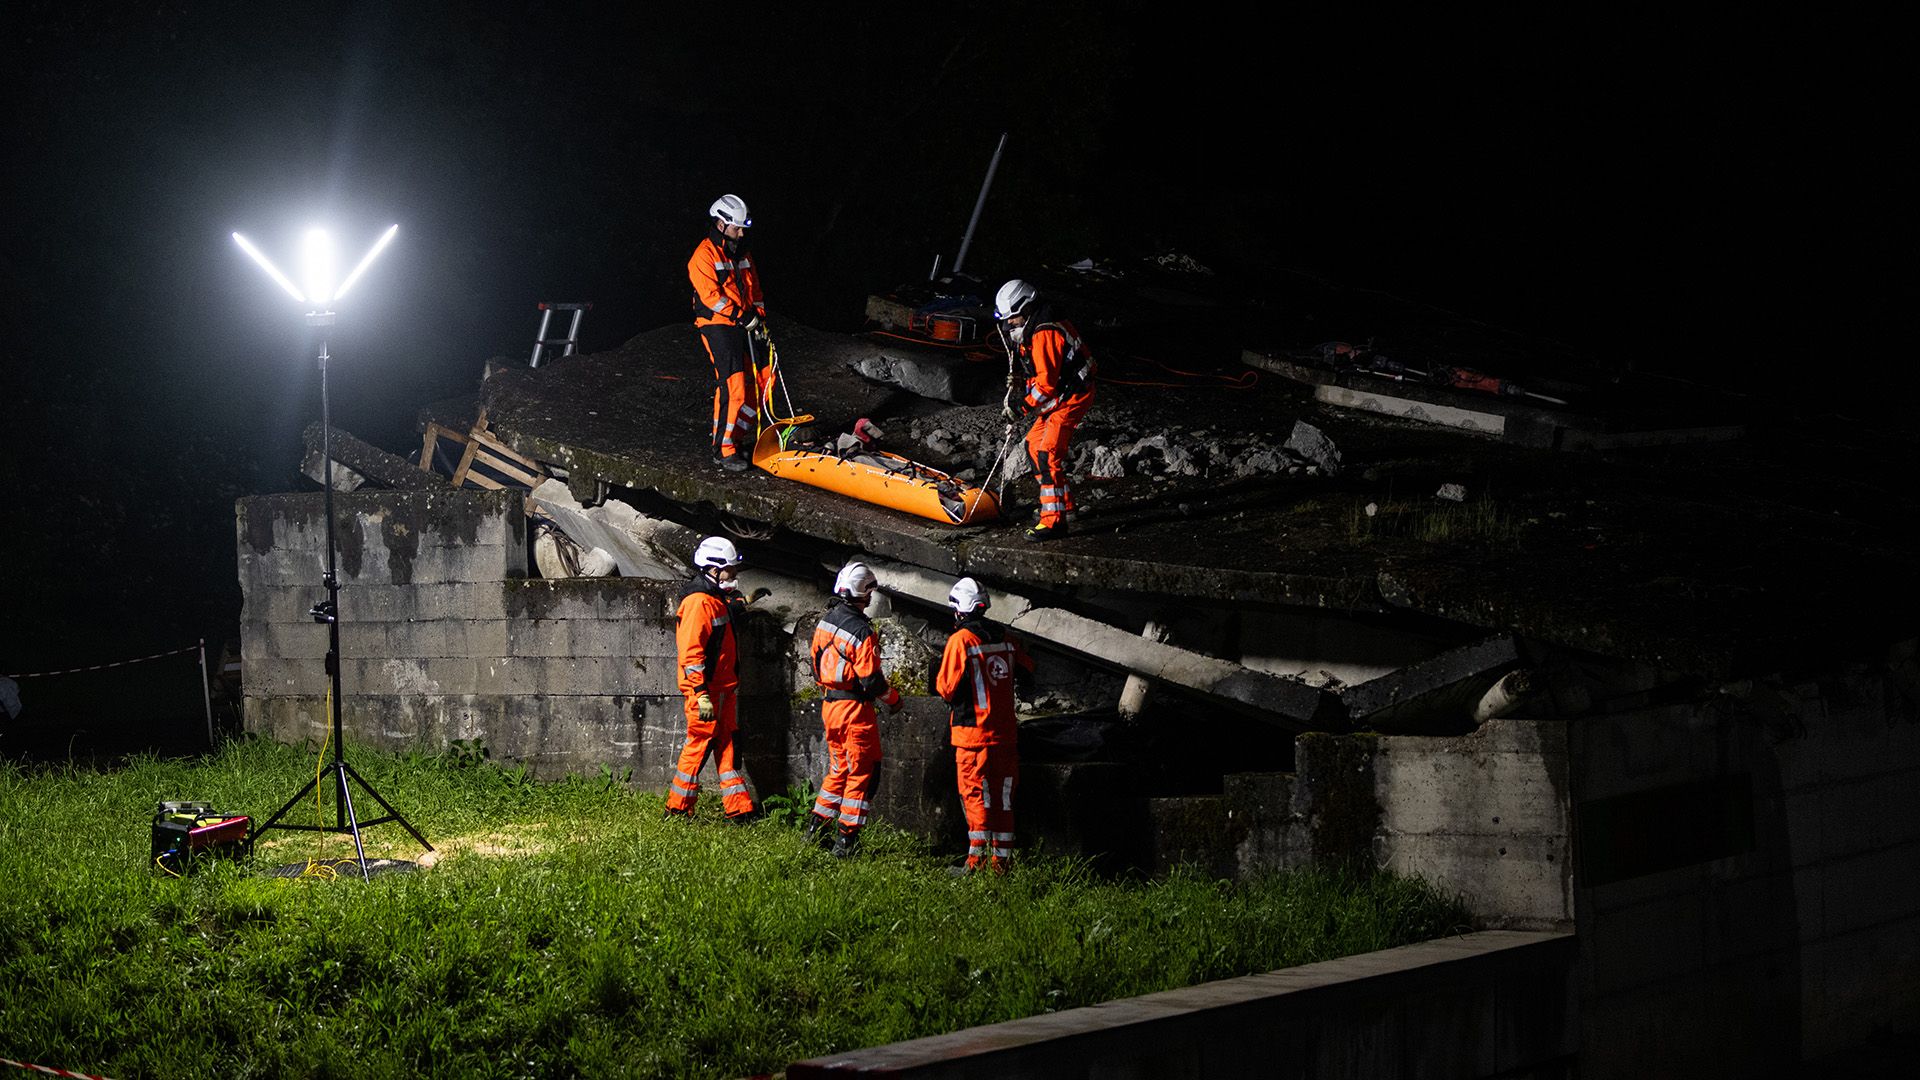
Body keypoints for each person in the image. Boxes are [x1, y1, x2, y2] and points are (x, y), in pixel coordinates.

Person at [934, 576, 1033, 874]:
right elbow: (1028, 669)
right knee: (1003, 799)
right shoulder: (1005, 637)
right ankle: (1001, 863)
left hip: (973, 738)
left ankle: (975, 864)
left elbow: (946, 688)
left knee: (976, 797)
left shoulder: (961, 641)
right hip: (1005, 737)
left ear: (959, 610)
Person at [804, 561, 903, 857]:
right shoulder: (861, 631)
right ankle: (847, 841)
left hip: (830, 705)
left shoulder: (826, 621)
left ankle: (816, 829)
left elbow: (815, 660)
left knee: (839, 769)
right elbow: (871, 680)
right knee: (863, 772)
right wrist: (893, 699)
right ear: (865, 594)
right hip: (854, 711)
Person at [996, 278, 1097, 541]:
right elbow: (1042, 375)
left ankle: (1054, 522)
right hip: (1060, 398)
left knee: (1047, 453)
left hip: (1071, 397)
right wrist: (1020, 385)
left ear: (1027, 310)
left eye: (1014, 318)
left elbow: (1046, 386)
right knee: (1033, 446)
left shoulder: (1044, 333)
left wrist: (1021, 408)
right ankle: (1065, 506)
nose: (1010, 324)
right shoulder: (1034, 330)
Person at [665, 536, 757, 821]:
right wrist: (701, 693)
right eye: (730, 569)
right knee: (699, 745)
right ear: (713, 569)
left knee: (728, 744)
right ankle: (677, 808)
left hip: (722, 690)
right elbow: (691, 654)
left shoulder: (713, 597)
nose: (734, 575)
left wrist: (743, 605)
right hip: (706, 693)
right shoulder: (697, 603)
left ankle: (739, 809)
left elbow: (724, 618)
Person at [687, 194, 768, 472]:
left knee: (763, 379)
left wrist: (759, 319)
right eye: (737, 227)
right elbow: (711, 297)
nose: (742, 233)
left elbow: (754, 289)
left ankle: (740, 436)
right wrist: (740, 316)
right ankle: (723, 448)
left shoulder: (742, 253)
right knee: (732, 385)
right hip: (717, 325)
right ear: (721, 225)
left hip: (746, 322)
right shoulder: (703, 256)